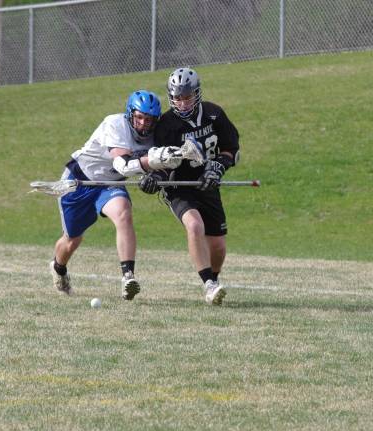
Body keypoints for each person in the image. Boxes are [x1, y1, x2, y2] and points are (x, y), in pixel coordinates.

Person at [50, 90, 183, 300]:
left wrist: (156, 177)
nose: (143, 124)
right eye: (139, 117)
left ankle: (128, 276)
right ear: (130, 114)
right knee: (72, 240)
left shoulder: (155, 137)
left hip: (110, 185)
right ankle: (58, 268)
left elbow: (157, 167)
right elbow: (123, 165)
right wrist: (152, 162)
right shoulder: (115, 124)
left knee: (123, 213)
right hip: (81, 179)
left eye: (149, 120)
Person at [139, 67, 240, 306]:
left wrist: (217, 167)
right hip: (179, 185)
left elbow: (232, 150)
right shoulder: (166, 124)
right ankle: (208, 284)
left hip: (207, 184)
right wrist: (155, 178)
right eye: (177, 98)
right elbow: (160, 160)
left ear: (197, 93)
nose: (183, 103)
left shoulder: (214, 114)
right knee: (195, 225)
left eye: (187, 97)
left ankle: (213, 280)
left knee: (218, 245)